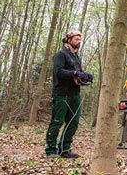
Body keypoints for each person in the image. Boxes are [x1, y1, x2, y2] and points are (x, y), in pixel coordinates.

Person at [45, 30, 93, 158]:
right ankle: (50, 149)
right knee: (57, 121)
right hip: (61, 93)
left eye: (80, 39)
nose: (79, 41)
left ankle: (64, 149)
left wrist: (85, 76)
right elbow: (58, 72)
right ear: (69, 39)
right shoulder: (61, 55)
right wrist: (74, 73)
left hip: (75, 94)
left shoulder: (77, 57)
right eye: (76, 39)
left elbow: (78, 73)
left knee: (74, 122)